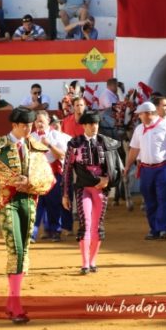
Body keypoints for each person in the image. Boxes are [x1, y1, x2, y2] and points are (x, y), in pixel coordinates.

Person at [0, 107, 55, 324]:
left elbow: (48, 178)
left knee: (24, 251)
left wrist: (32, 183)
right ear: (14, 125)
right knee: (16, 250)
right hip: (8, 203)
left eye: (31, 125)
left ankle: (11, 300)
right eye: (25, 126)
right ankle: (16, 305)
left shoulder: (35, 147)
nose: (29, 129)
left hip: (29, 202)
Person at [62, 111, 122, 274]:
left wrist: (108, 180)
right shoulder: (74, 144)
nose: (94, 127)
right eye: (90, 124)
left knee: (97, 226)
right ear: (84, 126)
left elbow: (117, 167)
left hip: (101, 189)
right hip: (83, 188)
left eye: (96, 124)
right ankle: (85, 262)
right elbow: (67, 170)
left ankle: (93, 261)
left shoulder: (107, 142)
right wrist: (66, 194)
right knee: (86, 224)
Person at [124, 101, 166, 240]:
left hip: (163, 167)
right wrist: (128, 166)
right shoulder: (139, 129)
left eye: (140, 114)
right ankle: (154, 229)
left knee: (162, 198)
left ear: (149, 114)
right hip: (146, 169)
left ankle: (162, 228)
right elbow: (134, 149)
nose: (139, 116)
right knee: (149, 199)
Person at [31, 111, 73, 242]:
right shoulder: (31, 136)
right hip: (37, 174)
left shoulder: (55, 135)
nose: (39, 124)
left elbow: (62, 155)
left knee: (54, 203)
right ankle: (33, 232)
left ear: (48, 122)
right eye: (37, 121)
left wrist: (49, 145)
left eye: (42, 121)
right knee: (36, 204)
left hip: (53, 173)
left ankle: (55, 230)